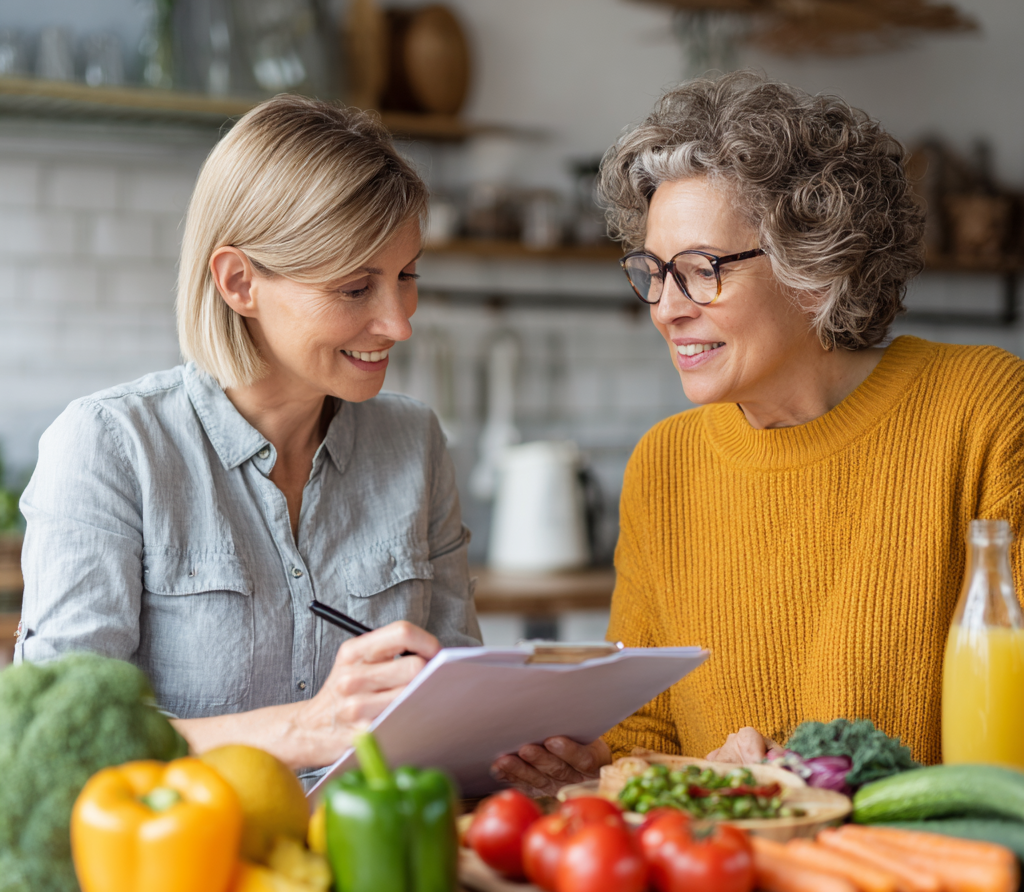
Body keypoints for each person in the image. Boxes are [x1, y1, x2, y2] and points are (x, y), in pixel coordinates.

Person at [492, 71, 1024, 796]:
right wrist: (593, 766)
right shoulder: (666, 464)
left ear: (814, 267)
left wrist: (812, 781)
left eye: (701, 271)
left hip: (930, 891)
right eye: (652, 272)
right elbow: (640, 740)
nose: (666, 309)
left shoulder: (983, 411)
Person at [17, 96, 480, 787]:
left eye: (407, 276)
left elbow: (458, 706)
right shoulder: (109, 446)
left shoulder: (413, 442)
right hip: (181, 873)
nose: (398, 323)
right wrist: (299, 730)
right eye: (355, 288)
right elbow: (53, 743)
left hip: (381, 864)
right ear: (239, 282)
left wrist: (510, 736)